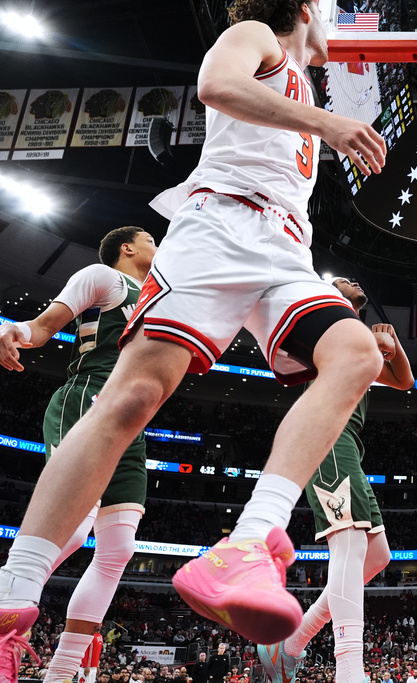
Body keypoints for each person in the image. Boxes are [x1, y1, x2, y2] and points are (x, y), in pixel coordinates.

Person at [0, 0, 388, 656]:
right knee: (131, 398)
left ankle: (247, 540)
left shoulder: (304, 76)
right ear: (302, 8)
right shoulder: (256, 35)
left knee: (354, 353)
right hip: (221, 225)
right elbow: (214, 84)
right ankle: (17, 583)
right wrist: (331, 124)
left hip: (287, 248)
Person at [0, 226, 157, 681]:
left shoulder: (160, 295)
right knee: (74, 522)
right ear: (127, 248)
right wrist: (16, 332)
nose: (157, 245)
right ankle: (11, 594)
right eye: (150, 238)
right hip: (89, 398)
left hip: (134, 417)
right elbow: (43, 328)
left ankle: (62, 671)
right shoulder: (104, 277)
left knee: (119, 548)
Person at [258, 276, 414, 683]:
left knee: (377, 556)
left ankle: (292, 642)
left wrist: (391, 349)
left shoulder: (359, 342)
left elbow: (404, 381)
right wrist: (375, 346)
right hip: (326, 437)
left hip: (347, 446)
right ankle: (349, 669)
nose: (353, 279)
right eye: (341, 279)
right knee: (347, 545)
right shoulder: (318, 328)